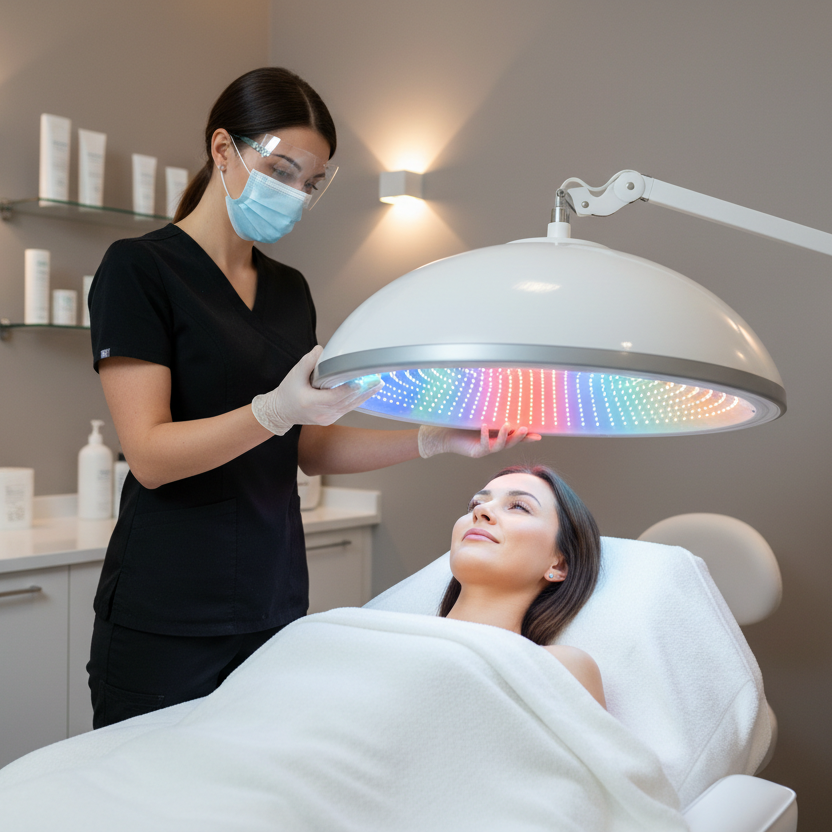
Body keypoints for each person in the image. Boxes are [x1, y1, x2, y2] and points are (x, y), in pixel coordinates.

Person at [86, 66, 539, 729]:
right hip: (169, 610)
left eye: (311, 183)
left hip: (270, 600)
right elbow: (150, 457)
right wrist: (274, 411)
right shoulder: (140, 269)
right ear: (223, 149)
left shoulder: (288, 290)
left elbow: (310, 446)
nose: (296, 194)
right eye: (283, 171)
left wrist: (437, 437)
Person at [439, 464, 605, 707]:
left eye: (518, 506)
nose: (481, 511)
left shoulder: (558, 669)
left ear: (558, 565)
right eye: (475, 504)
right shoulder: (390, 636)